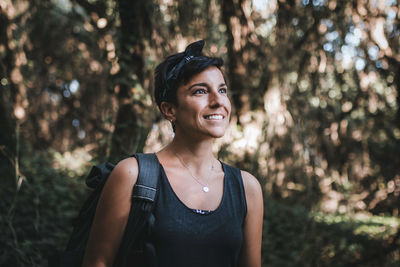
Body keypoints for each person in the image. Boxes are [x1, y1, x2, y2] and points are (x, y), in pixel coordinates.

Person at [82, 40, 264, 267]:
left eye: (222, 90)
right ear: (169, 109)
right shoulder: (133, 175)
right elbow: (97, 262)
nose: (218, 101)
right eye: (200, 91)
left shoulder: (247, 189)